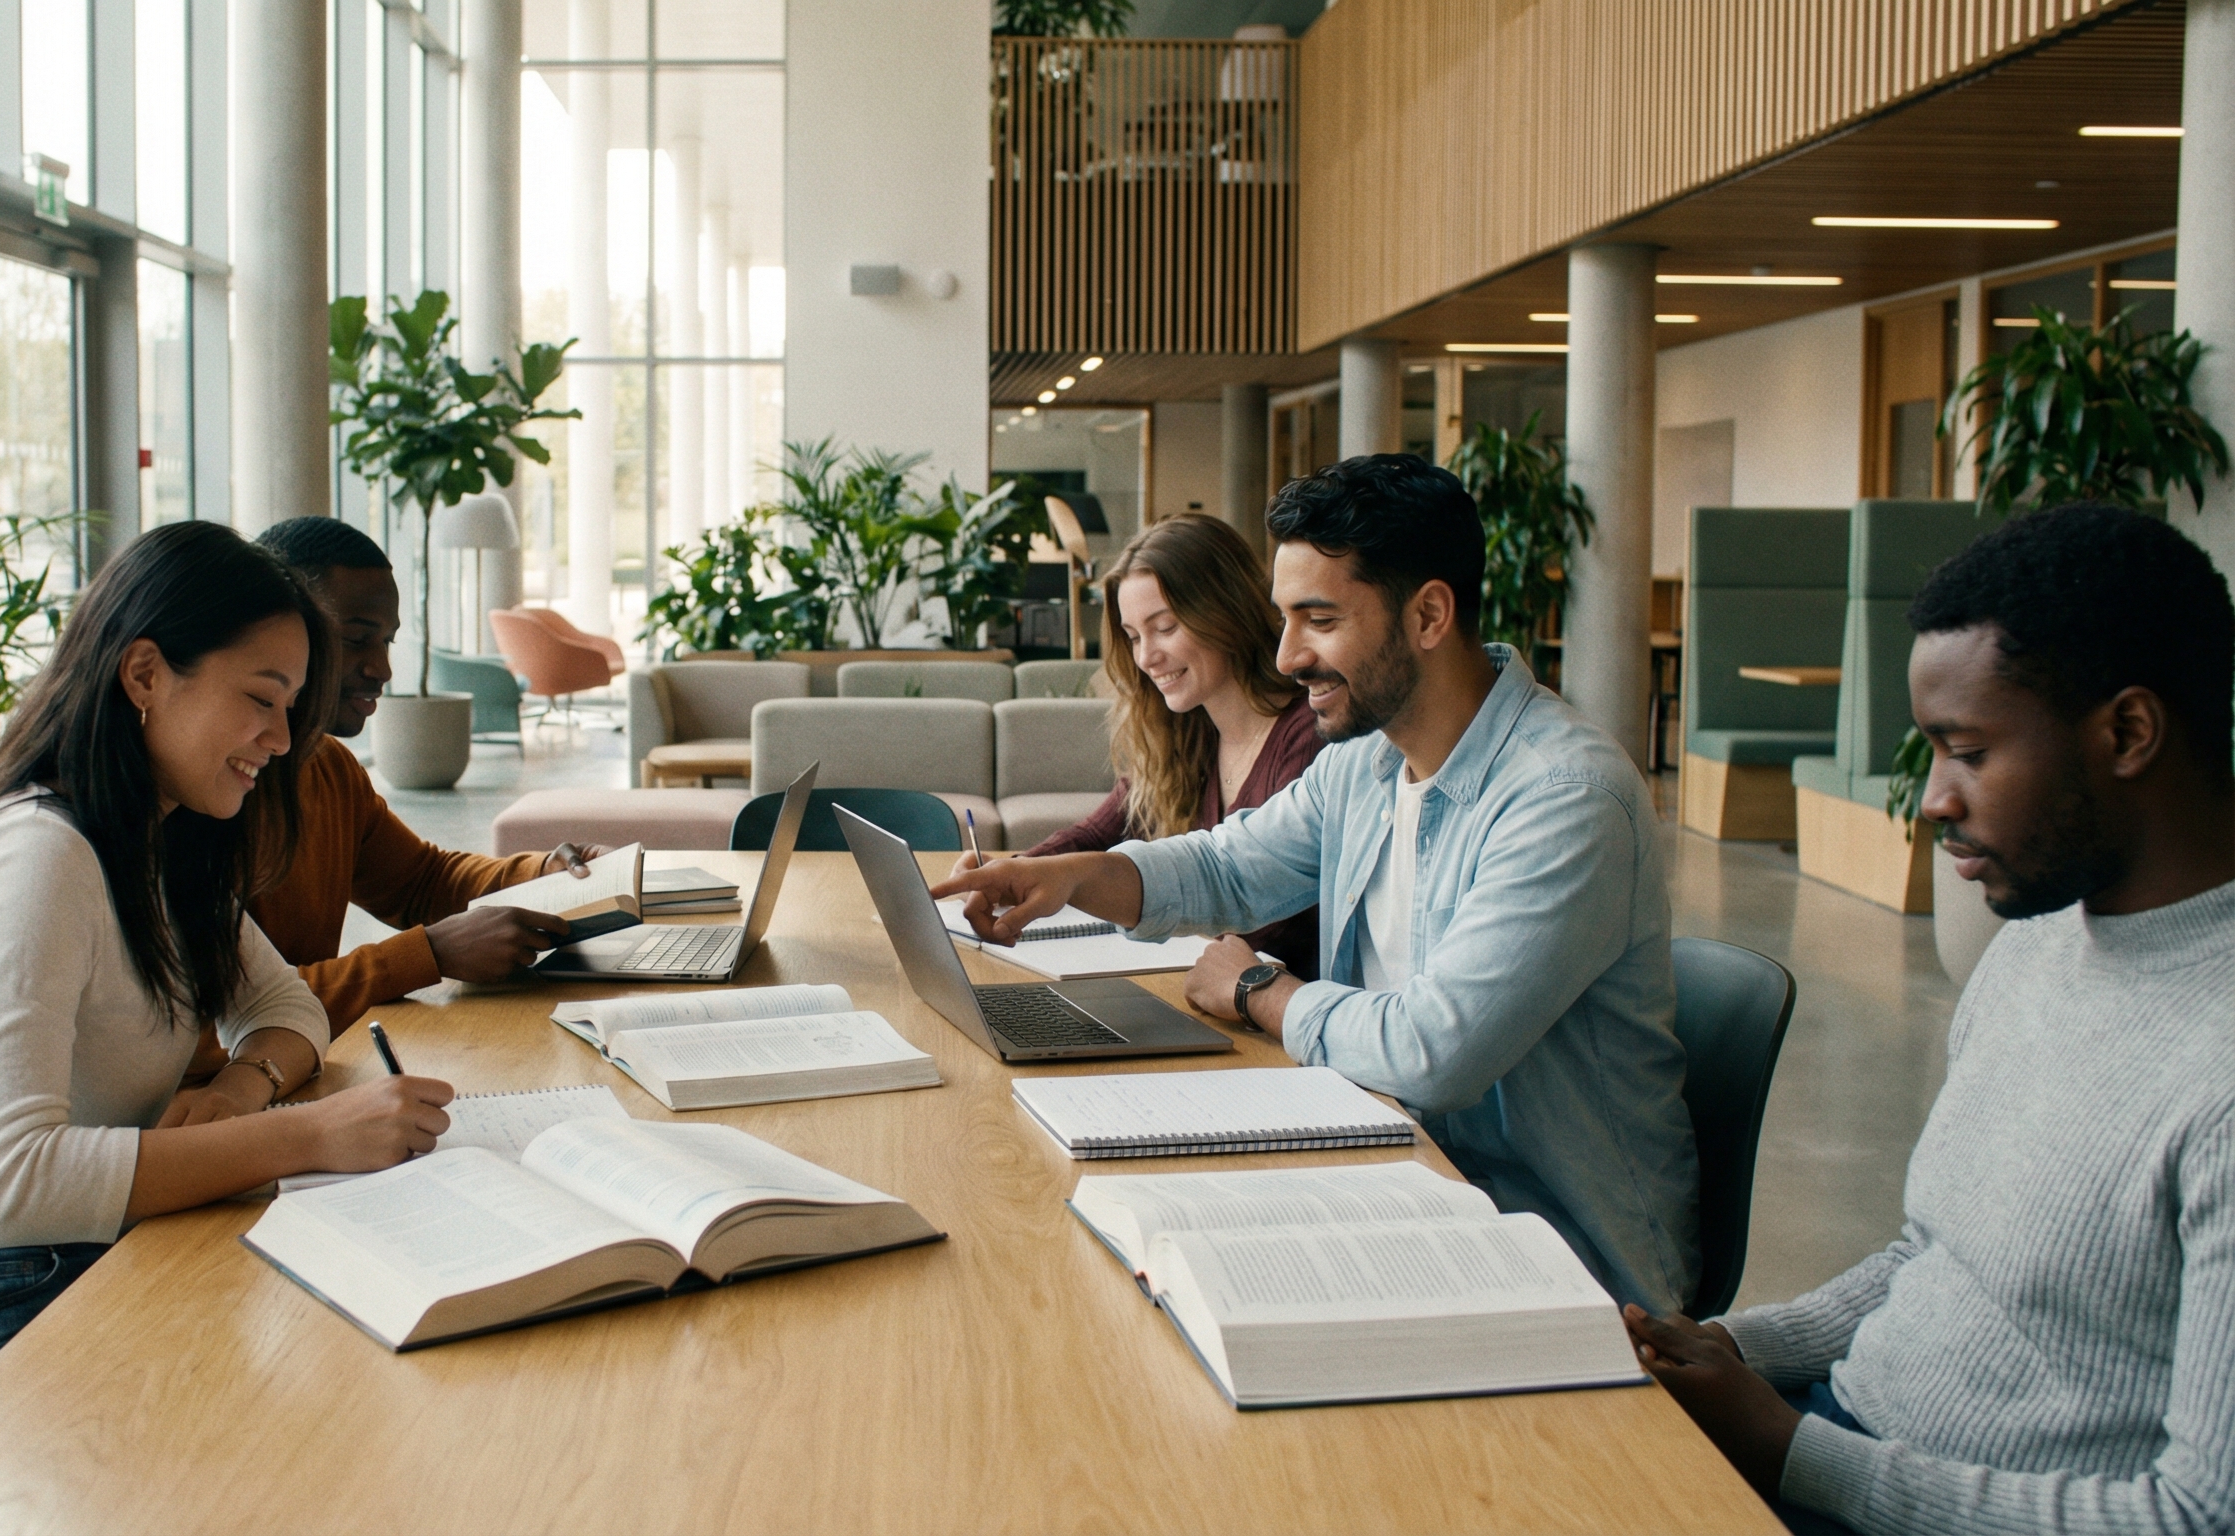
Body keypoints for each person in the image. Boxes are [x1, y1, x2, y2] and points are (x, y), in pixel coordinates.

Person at [933, 454, 1697, 1311]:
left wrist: (1260, 988)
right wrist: (1069, 876)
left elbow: (1430, 1052)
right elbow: (1225, 865)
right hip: (1396, 1171)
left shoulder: (1564, 798)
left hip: (1550, 1247)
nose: (1290, 654)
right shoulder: (1369, 763)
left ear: (1429, 615)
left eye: (1319, 619)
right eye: (1285, 619)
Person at [1625, 503, 2235, 1536]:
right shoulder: (2039, 940)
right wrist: (1738, 1346)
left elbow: (2191, 1516)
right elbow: (1930, 1253)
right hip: (1834, 1441)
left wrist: (1786, 1450)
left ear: (2128, 732)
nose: (1930, 801)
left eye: (1967, 753)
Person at [0, 522, 456, 1448]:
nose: (284, 741)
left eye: (291, 707)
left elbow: (283, 1007)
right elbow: (9, 1183)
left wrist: (243, 1090)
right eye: (261, 698)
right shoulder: (37, 856)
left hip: (88, 1247)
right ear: (144, 676)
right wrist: (305, 1134)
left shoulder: (157, 841)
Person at [192, 516, 605, 1051]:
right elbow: (226, 1015)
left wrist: (546, 871)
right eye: (358, 640)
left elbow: (421, 882)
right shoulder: (208, 790)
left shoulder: (328, 767)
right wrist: (426, 954)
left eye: (386, 641)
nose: (383, 668)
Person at [962, 513, 1320, 973]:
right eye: (1133, 636)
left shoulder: (1308, 734)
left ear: (1227, 612)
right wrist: (1012, 873)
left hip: (1271, 1013)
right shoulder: (1187, 731)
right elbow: (1095, 835)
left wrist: (1086, 887)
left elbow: (1253, 914)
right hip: (1200, 989)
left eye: (1165, 627)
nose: (1146, 657)